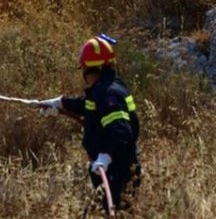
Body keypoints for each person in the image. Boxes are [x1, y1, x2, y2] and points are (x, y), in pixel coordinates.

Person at [34, 34, 141, 213]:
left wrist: (106, 156)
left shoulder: (108, 94)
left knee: (116, 212)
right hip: (109, 167)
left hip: (117, 169)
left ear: (93, 70)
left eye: (85, 70)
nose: (84, 75)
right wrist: (60, 103)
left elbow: (121, 130)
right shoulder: (106, 88)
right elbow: (90, 107)